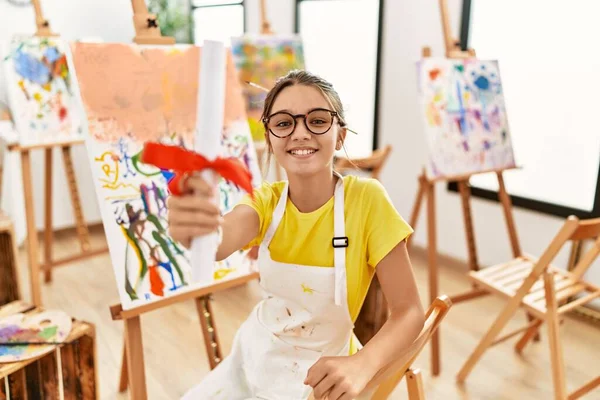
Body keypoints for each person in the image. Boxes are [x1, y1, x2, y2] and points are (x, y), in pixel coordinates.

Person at [168, 70, 425, 400]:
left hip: (326, 368)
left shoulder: (366, 200)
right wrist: (196, 228)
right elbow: (220, 239)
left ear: (341, 135)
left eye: (317, 121)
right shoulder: (265, 202)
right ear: (270, 139)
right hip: (255, 356)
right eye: (284, 123)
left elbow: (410, 312)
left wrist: (362, 364)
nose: (300, 133)